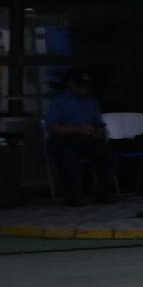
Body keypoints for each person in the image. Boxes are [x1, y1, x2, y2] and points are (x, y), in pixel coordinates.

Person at [41, 70, 114, 205]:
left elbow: (99, 124)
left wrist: (99, 132)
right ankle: (73, 195)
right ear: (71, 84)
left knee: (106, 152)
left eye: (86, 85)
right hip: (63, 139)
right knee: (69, 155)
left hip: (86, 138)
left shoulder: (91, 102)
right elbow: (52, 128)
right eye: (80, 85)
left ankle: (104, 193)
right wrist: (78, 129)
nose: (84, 89)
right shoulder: (58, 102)